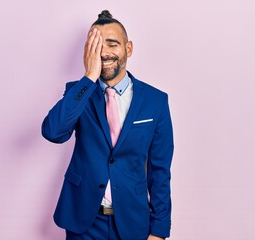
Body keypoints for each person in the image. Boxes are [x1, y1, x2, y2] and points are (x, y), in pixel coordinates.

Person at [42, 10, 174, 240]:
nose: (104, 53)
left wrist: (159, 230)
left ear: (128, 48)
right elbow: (53, 132)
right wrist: (88, 77)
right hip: (83, 222)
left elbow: (160, 170)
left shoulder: (156, 101)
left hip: (133, 221)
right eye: (96, 46)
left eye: (112, 44)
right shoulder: (79, 92)